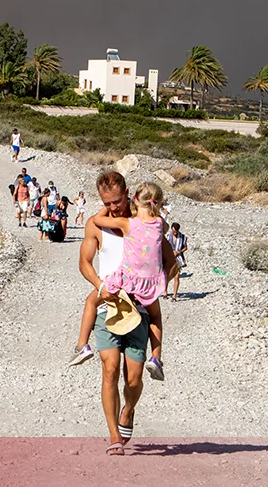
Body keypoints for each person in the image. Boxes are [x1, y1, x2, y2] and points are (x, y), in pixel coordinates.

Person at [71, 172, 177, 456]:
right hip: (110, 305)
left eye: (117, 201)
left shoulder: (145, 223)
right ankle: (114, 435)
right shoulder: (97, 226)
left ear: (127, 193)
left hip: (139, 308)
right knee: (110, 370)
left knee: (133, 379)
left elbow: (170, 260)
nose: (114, 207)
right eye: (108, 202)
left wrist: (156, 284)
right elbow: (84, 262)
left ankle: (128, 410)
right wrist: (99, 285)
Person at [166, 223, 188, 301]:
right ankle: (165, 292)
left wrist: (179, 251)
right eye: (173, 231)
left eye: (176, 232)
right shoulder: (168, 236)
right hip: (168, 258)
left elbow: (185, 247)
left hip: (178, 259)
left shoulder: (183, 237)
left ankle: (174, 296)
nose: (174, 233)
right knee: (167, 276)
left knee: (177, 277)